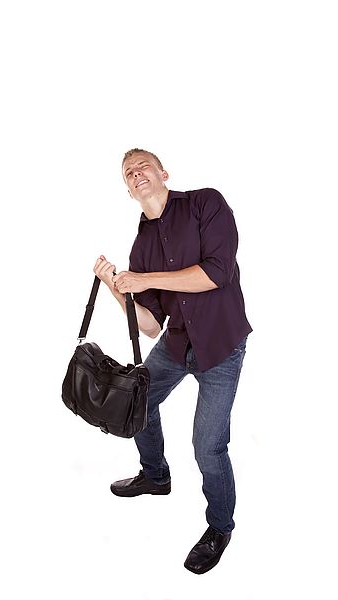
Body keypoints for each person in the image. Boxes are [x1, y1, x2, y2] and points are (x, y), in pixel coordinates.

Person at [93, 148, 252, 575]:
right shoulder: (141, 244)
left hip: (221, 345)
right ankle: (156, 476)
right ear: (127, 190)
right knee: (136, 400)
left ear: (163, 173)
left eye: (143, 165)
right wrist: (115, 285)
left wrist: (143, 279)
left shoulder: (206, 203)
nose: (136, 171)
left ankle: (220, 528)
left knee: (208, 446)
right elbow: (147, 324)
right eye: (129, 172)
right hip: (177, 343)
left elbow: (217, 273)